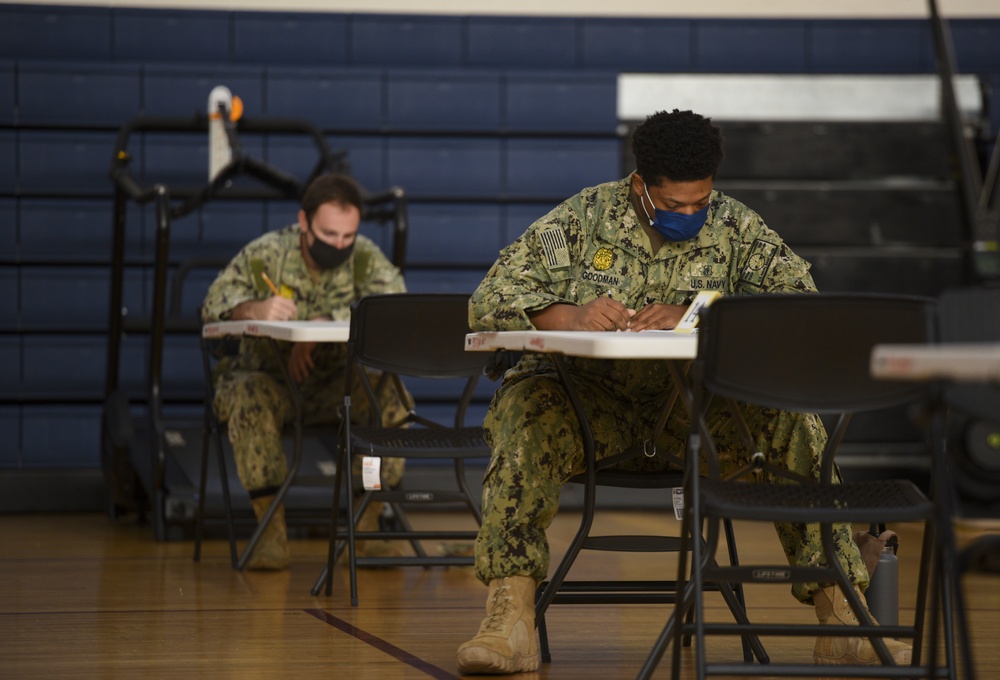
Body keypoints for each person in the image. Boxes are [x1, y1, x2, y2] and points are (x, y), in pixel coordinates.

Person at [456, 109, 912, 673]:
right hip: (590, 411)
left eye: (701, 202)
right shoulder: (583, 218)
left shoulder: (736, 227)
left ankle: (842, 615)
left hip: (698, 421)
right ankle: (512, 618)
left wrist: (701, 312)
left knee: (793, 421)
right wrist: (569, 314)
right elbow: (489, 299)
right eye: (675, 206)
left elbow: (800, 304)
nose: (691, 215)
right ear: (640, 187)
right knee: (524, 406)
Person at [201, 173, 410, 571]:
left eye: (348, 237)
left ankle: (365, 528)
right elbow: (213, 303)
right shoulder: (267, 254)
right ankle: (270, 532)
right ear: (304, 222)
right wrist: (254, 309)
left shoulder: (363, 256)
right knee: (248, 395)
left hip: (334, 387)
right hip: (271, 382)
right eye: (329, 234)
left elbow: (393, 302)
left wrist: (318, 324)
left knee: (390, 394)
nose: (339, 245)